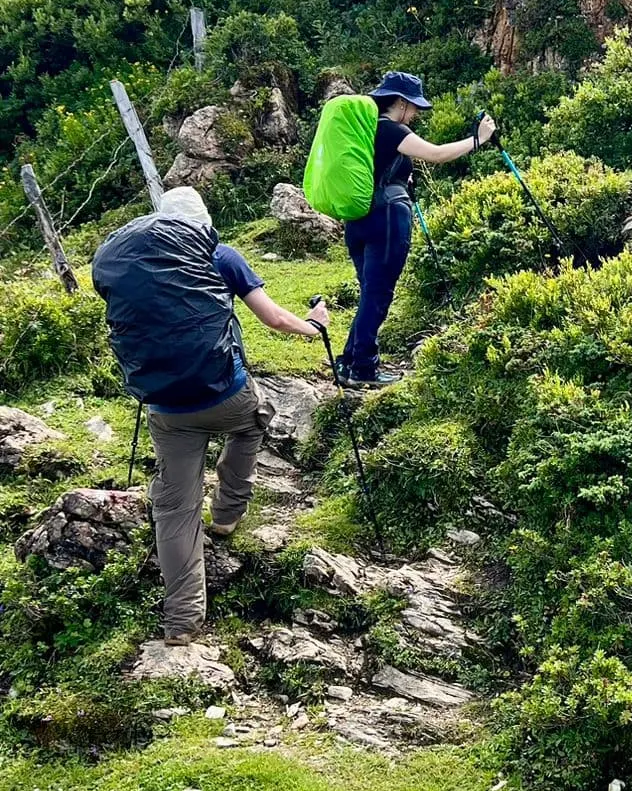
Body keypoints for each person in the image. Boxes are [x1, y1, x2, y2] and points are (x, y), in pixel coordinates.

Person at [92, 187, 330, 646]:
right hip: (225, 393)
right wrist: (314, 325)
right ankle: (228, 511)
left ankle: (181, 621)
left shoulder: (132, 268)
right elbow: (274, 319)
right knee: (254, 419)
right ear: (202, 223)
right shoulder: (220, 255)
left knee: (175, 507)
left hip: (165, 407)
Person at [337, 71, 497, 387]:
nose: (416, 115)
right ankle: (364, 369)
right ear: (400, 102)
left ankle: (349, 362)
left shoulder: (363, 131)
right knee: (378, 293)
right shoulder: (392, 130)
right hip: (386, 221)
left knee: (370, 292)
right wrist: (478, 139)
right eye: (414, 108)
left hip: (357, 219)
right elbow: (436, 155)